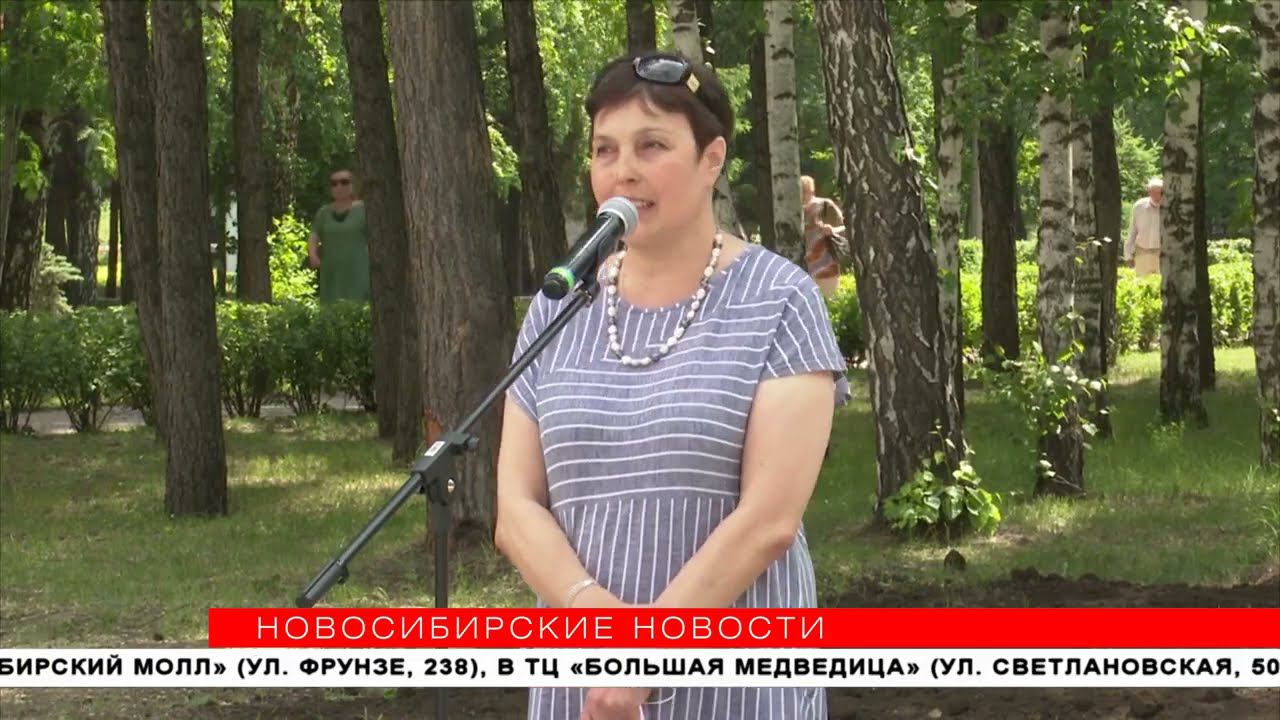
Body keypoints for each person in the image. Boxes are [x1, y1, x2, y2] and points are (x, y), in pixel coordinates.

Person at [494, 52, 847, 720]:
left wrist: (645, 651)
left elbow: (769, 522)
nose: (622, 170)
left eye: (651, 145)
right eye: (605, 149)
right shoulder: (558, 306)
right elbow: (515, 507)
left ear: (712, 159)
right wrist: (596, 621)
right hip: (586, 686)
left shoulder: (780, 300)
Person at [308, 169, 371, 302]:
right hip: (331, 270)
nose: (339, 186)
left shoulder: (365, 210)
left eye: (344, 182)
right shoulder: (323, 213)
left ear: (353, 185)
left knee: (358, 305)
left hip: (358, 269)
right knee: (331, 307)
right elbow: (314, 235)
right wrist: (313, 255)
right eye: (334, 183)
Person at [801, 175, 845, 298]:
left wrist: (833, 230)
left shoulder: (825, 205)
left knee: (829, 302)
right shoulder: (794, 213)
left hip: (827, 269)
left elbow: (846, 227)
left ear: (811, 190)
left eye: (804, 191)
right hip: (803, 271)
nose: (802, 195)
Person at [1124, 176, 1163, 277]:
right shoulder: (1139, 206)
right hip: (1142, 252)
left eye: (1159, 192)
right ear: (1149, 192)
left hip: (1161, 254)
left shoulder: (1169, 208)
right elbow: (1133, 231)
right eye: (1153, 192)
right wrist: (1128, 254)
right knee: (1142, 282)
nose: (1157, 195)